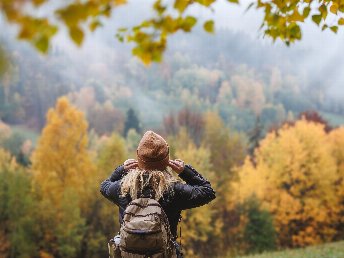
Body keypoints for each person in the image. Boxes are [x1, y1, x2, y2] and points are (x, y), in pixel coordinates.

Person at [100, 131, 216, 257]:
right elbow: (207, 191)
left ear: (139, 158)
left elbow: (104, 186)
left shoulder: (124, 188)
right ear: (166, 161)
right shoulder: (172, 189)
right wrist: (184, 171)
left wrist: (121, 169)